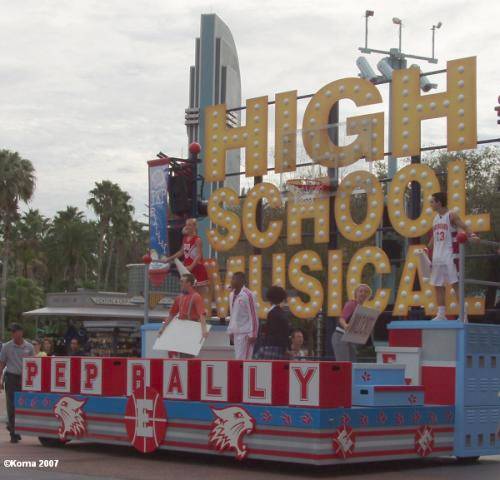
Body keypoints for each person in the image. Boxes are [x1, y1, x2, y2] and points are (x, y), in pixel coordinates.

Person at [429, 192, 478, 321]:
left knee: (455, 284)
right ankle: (441, 314)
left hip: (450, 254)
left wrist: (472, 235)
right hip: (437, 256)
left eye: (432, 202)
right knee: (437, 285)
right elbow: (434, 236)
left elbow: (464, 226)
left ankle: (464, 314)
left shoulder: (451, 215)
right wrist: (427, 247)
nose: (431, 204)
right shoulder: (435, 219)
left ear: (439, 202)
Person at [0, 323, 34, 443]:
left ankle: (15, 427)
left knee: (22, 404)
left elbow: (33, 363)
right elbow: (2, 363)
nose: (13, 334)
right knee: (12, 405)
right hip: (11, 377)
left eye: (15, 331)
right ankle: (13, 432)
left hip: (25, 379)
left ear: (21, 332)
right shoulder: (7, 346)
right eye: (12, 332)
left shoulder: (29, 347)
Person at [157, 273, 209, 352]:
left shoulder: (196, 296)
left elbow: (202, 314)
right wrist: (163, 328)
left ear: (188, 283)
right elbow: (171, 315)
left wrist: (204, 330)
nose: (180, 283)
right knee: (179, 353)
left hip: (191, 326)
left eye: (182, 281)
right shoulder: (179, 297)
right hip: (180, 326)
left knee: (188, 354)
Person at [165, 218, 209, 290]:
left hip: (196, 268)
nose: (187, 227)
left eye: (189, 225)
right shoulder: (185, 238)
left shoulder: (197, 239)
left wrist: (191, 266)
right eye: (186, 225)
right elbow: (181, 251)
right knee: (187, 290)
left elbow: (199, 255)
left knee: (197, 292)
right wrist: (169, 258)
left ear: (194, 227)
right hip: (187, 268)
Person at [332, 284, 372, 362]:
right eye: (361, 291)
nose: (363, 293)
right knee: (344, 365)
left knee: (352, 364)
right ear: (356, 293)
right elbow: (342, 319)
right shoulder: (351, 304)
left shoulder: (363, 309)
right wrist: (345, 326)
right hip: (340, 336)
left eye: (366, 292)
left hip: (350, 339)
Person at [227, 272, 259, 360]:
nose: (231, 281)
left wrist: (253, 334)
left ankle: (246, 374)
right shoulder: (231, 295)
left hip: (246, 333)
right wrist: (230, 330)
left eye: (234, 279)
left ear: (241, 281)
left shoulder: (248, 295)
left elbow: (253, 315)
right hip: (236, 333)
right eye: (232, 279)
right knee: (238, 359)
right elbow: (232, 314)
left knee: (244, 360)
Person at [255, 286, 290, 359]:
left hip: (272, 347)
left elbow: (272, 332)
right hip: (281, 348)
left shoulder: (272, 313)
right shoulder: (282, 313)